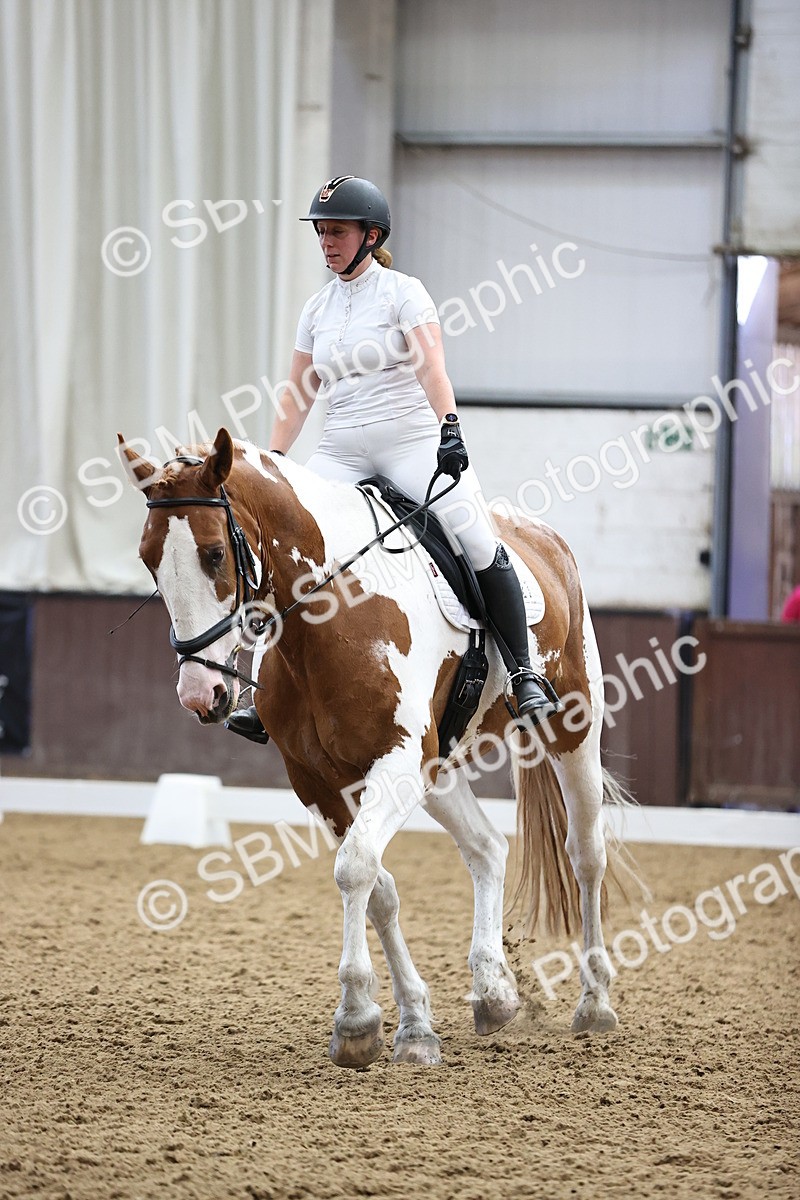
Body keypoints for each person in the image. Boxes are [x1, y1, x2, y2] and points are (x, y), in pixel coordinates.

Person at [226, 175, 561, 744]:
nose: (327, 242)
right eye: (322, 233)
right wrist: (276, 460)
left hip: (409, 441)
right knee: (279, 543)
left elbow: (432, 366)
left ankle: (523, 672)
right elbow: (298, 391)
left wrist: (448, 427)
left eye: (337, 232)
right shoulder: (317, 309)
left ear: (370, 234)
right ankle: (260, 691)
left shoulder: (404, 292)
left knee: (476, 537)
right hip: (340, 447)